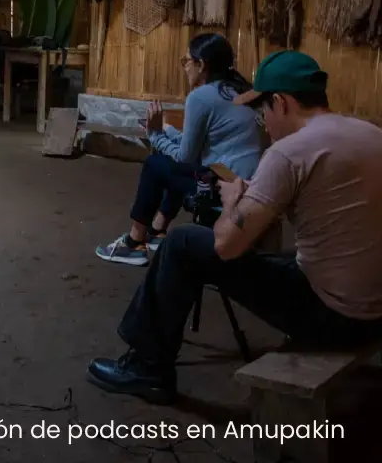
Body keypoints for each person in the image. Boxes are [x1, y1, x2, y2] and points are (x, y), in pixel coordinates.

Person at [86, 50, 382, 405]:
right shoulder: (370, 134)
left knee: (183, 242)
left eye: (262, 112)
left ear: (281, 102)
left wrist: (233, 201)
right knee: (286, 258)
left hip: (336, 318)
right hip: (375, 309)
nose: (263, 123)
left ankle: (148, 367)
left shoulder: (289, 152)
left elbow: (227, 246)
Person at [95, 33, 265, 265]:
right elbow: (198, 145)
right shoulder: (236, 90)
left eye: (186, 61)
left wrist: (154, 136)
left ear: (201, 64)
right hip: (243, 181)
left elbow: (185, 156)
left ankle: (134, 243)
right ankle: (157, 231)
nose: (184, 67)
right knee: (174, 164)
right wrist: (166, 131)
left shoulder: (201, 97)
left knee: (156, 164)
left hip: (226, 189)